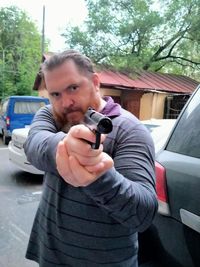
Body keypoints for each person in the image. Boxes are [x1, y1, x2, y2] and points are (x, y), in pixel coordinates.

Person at [24, 49, 158, 267]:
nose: (65, 102)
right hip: (49, 257)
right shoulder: (51, 115)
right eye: (55, 94)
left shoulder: (130, 129)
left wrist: (98, 175)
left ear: (95, 82)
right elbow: (34, 145)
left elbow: (143, 214)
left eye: (73, 88)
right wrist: (64, 148)